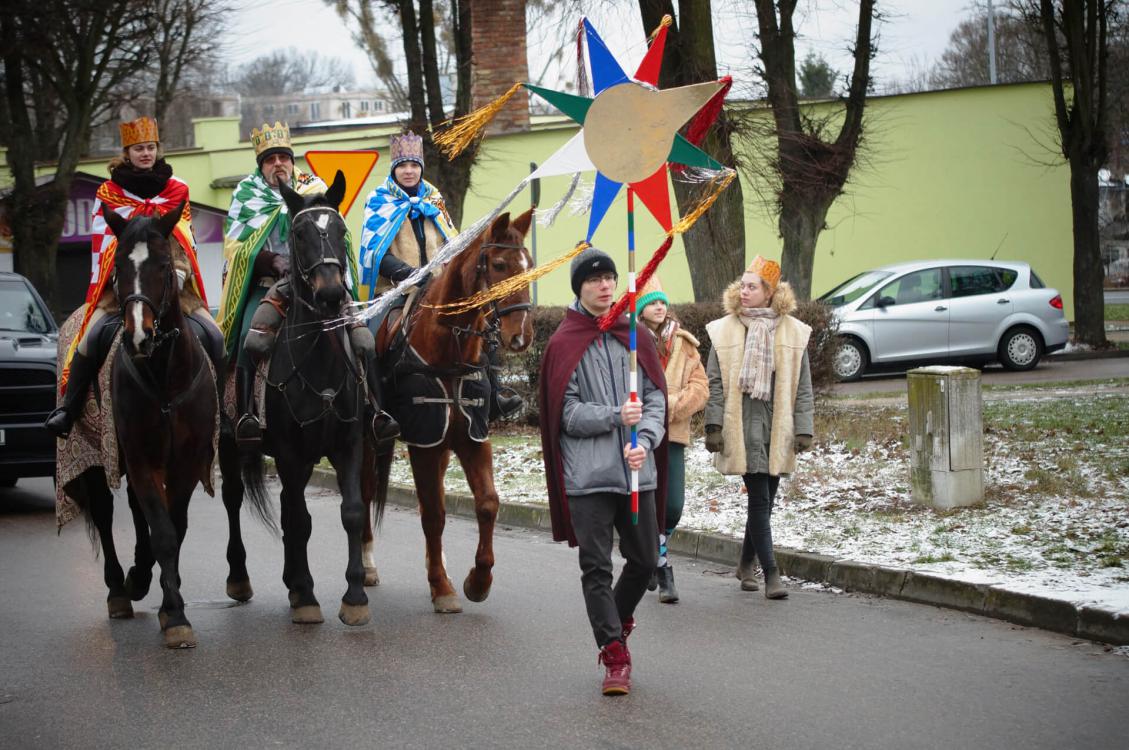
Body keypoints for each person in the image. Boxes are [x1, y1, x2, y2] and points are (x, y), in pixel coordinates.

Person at [538, 246, 668, 696]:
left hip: (635, 471)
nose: (605, 285)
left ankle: (615, 617)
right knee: (596, 566)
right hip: (587, 477)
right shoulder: (564, 343)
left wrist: (645, 441)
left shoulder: (635, 335)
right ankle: (614, 654)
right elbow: (567, 414)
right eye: (594, 279)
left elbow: (655, 399)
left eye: (609, 277)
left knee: (645, 560)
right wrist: (616, 415)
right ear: (580, 287)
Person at [46, 116, 223, 438]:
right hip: (123, 287)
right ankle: (69, 410)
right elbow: (104, 244)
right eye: (139, 148)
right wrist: (121, 276)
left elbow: (185, 237)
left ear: (158, 150)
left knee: (216, 336)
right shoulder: (109, 192)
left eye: (150, 147)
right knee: (88, 339)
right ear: (127, 153)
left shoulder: (177, 189)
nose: (146, 153)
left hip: (171, 285)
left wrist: (179, 270)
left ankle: (225, 414)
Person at [358, 132, 521, 421]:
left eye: (414, 165)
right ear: (394, 169)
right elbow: (374, 254)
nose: (409, 171)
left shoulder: (434, 198)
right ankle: (376, 409)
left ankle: (495, 394)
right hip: (397, 290)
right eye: (402, 165)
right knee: (369, 339)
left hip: (439, 288)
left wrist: (451, 274)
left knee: (482, 323)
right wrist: (410, 275)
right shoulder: (378, 201)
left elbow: (452, 244)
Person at [216, 121, 337, 446]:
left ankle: (371, 406)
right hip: (267, 285)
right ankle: (246, 414)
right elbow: (236, 246)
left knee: (353, 329)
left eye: (284, 157)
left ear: (292, 160)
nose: (278, 163)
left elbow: (335, 234)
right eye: (270, 159)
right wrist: (271, 260)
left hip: (314, 284)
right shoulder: (247, 193)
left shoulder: (314, 188)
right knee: (248, 335)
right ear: (262, 166)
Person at [703, 255, 814, 600]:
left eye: (752, 286)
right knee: (760, 500)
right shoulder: (724, 330)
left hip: (776, 429)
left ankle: (744, 563)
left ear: (769, 292)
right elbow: (715, 383)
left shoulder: (793, 331)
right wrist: (713, 425)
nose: (744, 291)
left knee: (766, 503)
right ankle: (772, 575)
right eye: (743, 285)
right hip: (742, 428)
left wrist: (804, 428)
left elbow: (803, 386)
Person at [637, 275, 708, 604]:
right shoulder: (630, 341)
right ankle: (662, 567)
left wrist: (669, 406)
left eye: (662, 302)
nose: (659, 307)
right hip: (640, 435)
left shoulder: (683, 343)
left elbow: (701, 387)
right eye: (652, 302)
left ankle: (655, 554)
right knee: (647, 504)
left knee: (673, 505)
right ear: (640, 309)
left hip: (674, 434)